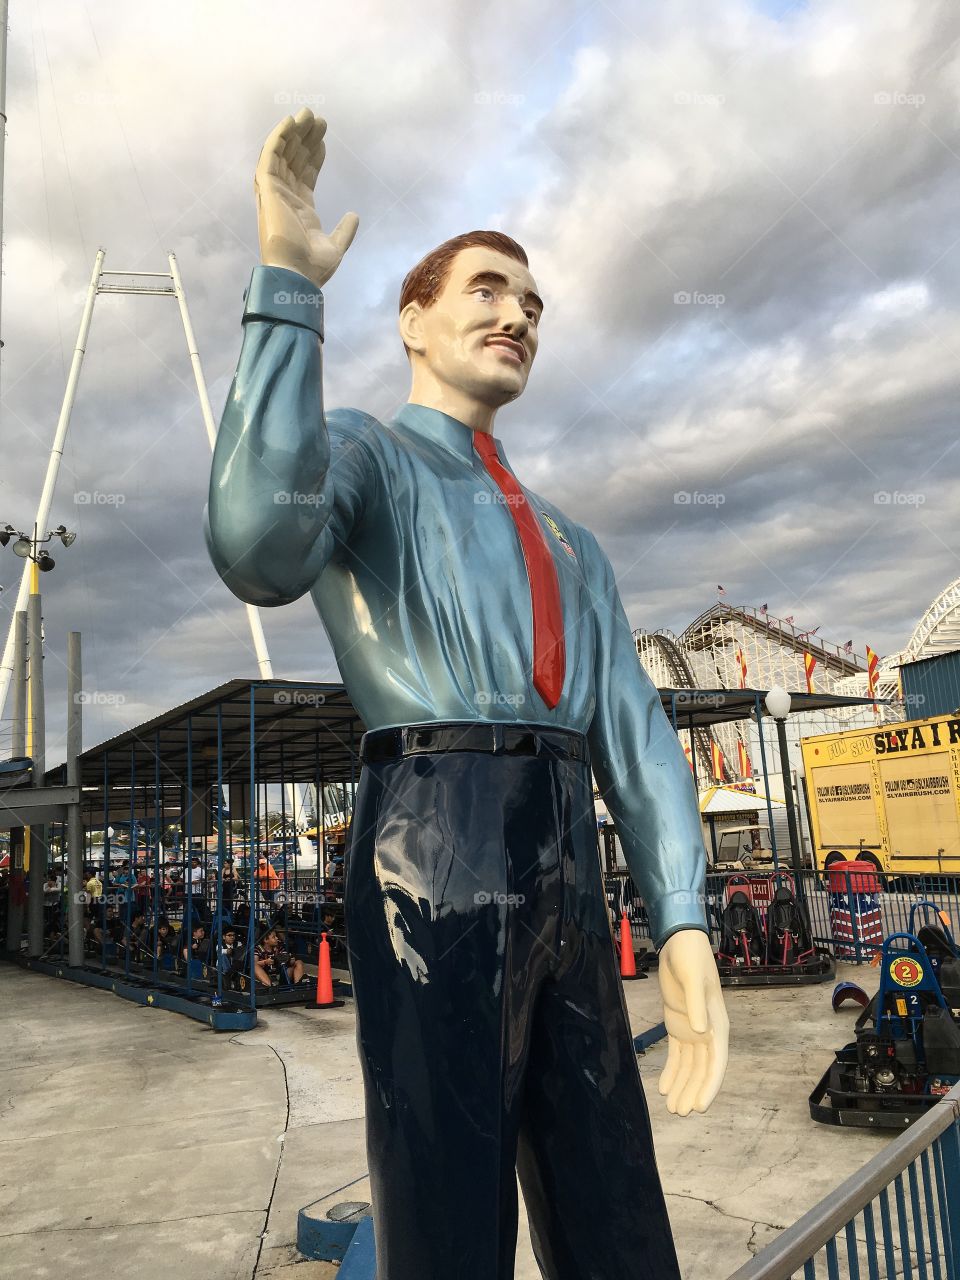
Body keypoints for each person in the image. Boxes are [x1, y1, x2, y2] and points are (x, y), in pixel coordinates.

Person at [206, 107, 728, 1280]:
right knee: (444, 1200)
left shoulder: (574, 544)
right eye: (490, 290)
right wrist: (287, 289)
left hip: (567, 854)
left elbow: (636, 737)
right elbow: (256, 545)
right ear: (412, 321)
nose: (517, 317)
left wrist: (683, 914)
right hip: (429, 834)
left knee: (613, 1186)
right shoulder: (365, 460)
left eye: (535, 306)